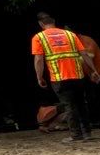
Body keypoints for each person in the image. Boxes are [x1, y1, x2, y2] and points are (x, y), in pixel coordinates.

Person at [31, 12, 94, 142]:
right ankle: (87, 133)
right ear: (54, 22)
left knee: (69, 106)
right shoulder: (70, 35)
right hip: (78, 75)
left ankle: (76, 135)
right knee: (81, 104)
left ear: (41, 24)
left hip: (59, 77)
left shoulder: (39, 37)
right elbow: (84, 54)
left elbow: (38, 59)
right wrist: (93, 70)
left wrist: (39, 77)